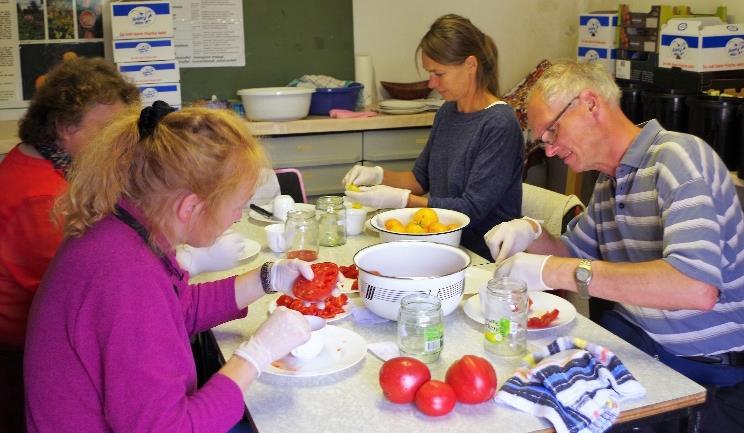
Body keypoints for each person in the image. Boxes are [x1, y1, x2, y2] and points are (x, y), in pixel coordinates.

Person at [486, 60, 744, 432]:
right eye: (544, 140)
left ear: (590, 104)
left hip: (703, 373)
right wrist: (531, 232)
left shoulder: (679, 160)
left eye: (552, 132)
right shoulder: (611, 181)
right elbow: (573, 255)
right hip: (636, 347)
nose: (552, 150)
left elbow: (695, 287)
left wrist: (554, 270)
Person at [24, 102, 315, 432]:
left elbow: (174, 312)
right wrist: (254, 356)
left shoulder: (123, 227)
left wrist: (268, 278)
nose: (237, 217)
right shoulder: (126, 276)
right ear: (190, 207)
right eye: (235, 206)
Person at [0, 57, 140, 433]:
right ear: (64, 126)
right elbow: (75, 300)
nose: (120, 142)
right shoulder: (41, 199)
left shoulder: (42, 162)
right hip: (21, 362)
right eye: (110, 129)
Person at [343, 14, 524, 260]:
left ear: (471, 65)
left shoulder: (499, 124)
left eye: (439, 73)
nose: (432, 82)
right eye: (430, 73)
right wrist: (377, 175)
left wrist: (402, 200)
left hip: (483, 256)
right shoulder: (448, 111)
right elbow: (420, 179)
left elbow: (472, 210)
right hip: (442, 244)